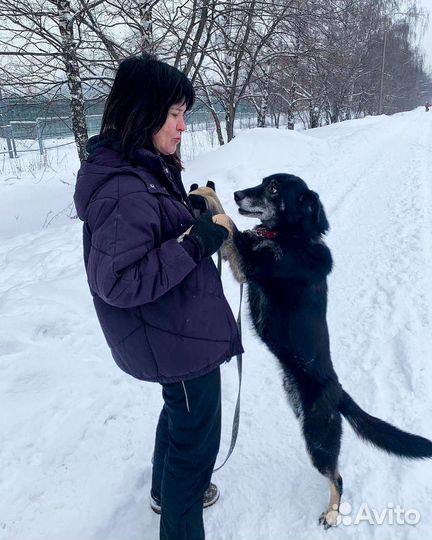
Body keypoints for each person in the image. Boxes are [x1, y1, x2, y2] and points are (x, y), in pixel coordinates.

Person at [73, 54, 243, 540]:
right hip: (174, 337)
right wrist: (194, 243)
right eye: (175, 115)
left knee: (181, 409)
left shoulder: (138, 166)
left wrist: (184, 215)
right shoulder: (124, 187)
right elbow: (120, 278)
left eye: (184, 114)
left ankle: (162, 493)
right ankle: (179, 514)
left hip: (174, 328)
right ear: (143, 112)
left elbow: (147, 230)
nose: (183, 127)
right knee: (196, 436)